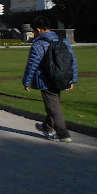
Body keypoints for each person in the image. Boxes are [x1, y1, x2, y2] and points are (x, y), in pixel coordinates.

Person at [22, 15, 79, 143]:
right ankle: (47, 126)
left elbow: (32, 65)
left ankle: (63, 134)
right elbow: (72, 61)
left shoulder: (39, 44)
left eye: (34, 31)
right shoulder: (62, 40)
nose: (34, 34)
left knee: (53, 108)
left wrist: (26, 81)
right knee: (53, 105)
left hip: (46, 80)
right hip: (61, 77)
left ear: (39, 30)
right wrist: (72, 79)